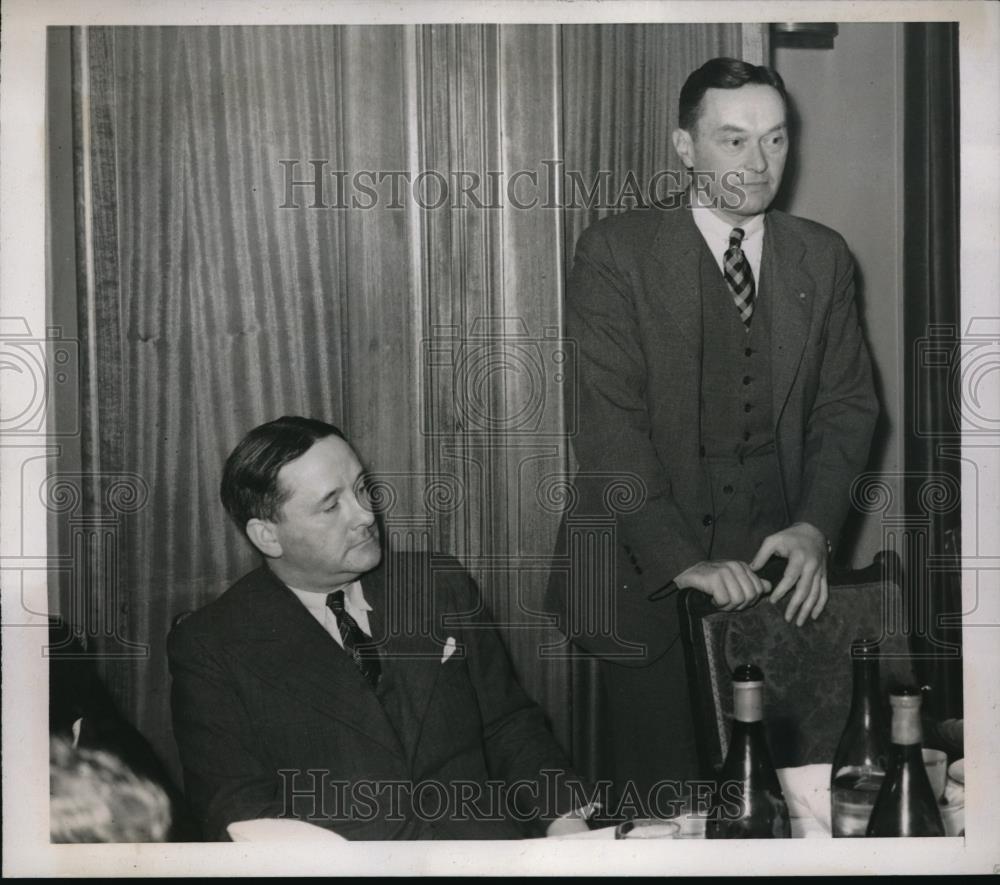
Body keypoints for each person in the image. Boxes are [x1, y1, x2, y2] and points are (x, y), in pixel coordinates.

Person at [546, 58, 879, 810]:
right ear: (686, 147)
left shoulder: (821, 256)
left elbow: (849, 406)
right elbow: (608, 430)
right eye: (733, 140)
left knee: (781, 804)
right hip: (641, 578)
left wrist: (815, 527)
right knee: (670, 809)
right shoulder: (616, 252)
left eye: (775, 140)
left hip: (773, 582)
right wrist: (683, 561)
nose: (758, 164)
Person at [168, 416, 592, 840]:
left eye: (361, 488)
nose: (366, 514)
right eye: (331, 505)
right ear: (268, 536)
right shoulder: (213, 645)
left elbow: (507, 724)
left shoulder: (438, 586)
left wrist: (564, 821)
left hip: (483, 855)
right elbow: (238, 811)